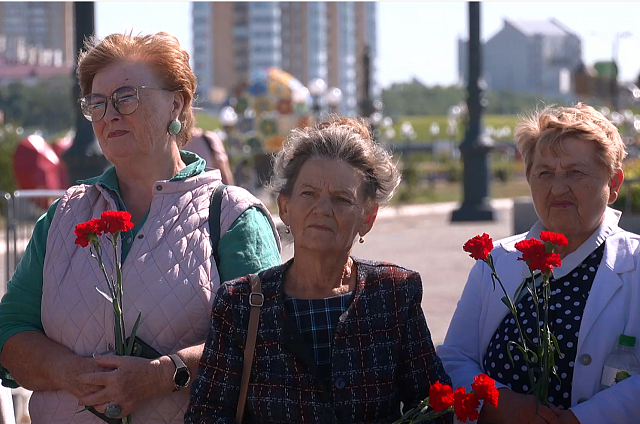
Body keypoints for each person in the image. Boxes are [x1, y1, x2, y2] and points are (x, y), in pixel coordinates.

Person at [0, 32, 282, 424]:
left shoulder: (231, 217)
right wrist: (71, 374)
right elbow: (10, 333)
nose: (109, 114)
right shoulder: (62, 218)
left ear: (175, 104)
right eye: (96, 103)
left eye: (126, 97)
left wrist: (163, 376)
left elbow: (269, 341)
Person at [185, 117, 452, 423]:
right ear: (284, 207)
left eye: (341, 199)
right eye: (308, 194)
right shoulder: (240, 303)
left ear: (368, 216)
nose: (322, 209)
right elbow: (208, 415)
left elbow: (435, 409)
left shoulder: (393, 294)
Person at [437, 103, 640, 424]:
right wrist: (498, 402)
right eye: (545, 173)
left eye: (576, 172)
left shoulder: (636, 265)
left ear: (613, 184)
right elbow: (455, 357)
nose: (558, 188)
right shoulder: (496, 262)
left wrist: (581, 419)